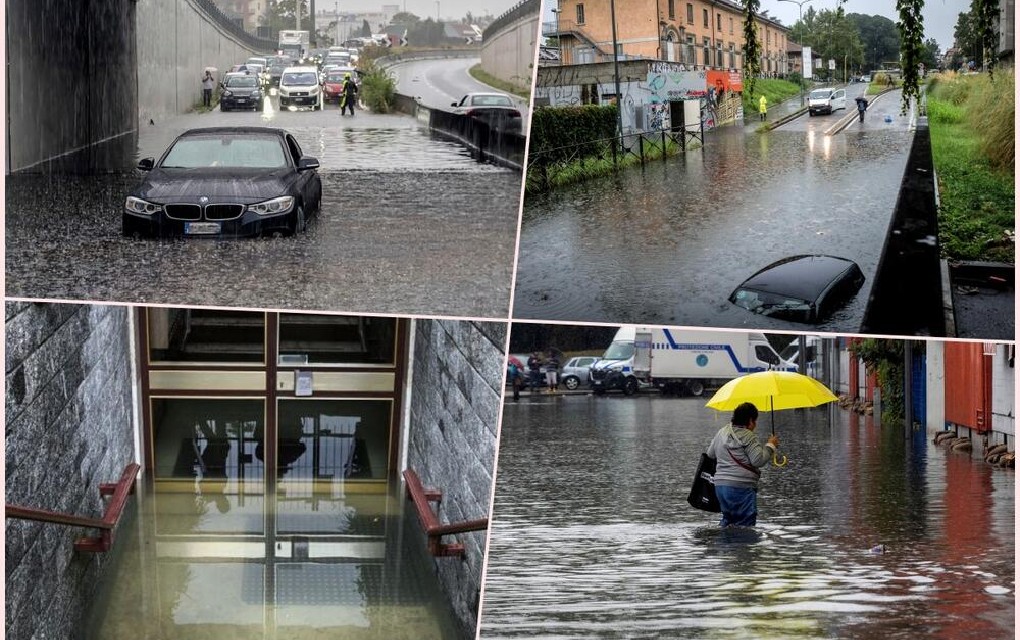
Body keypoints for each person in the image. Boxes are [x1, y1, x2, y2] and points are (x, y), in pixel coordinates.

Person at [706, 402, 779, 527]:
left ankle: (723, 545)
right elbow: (758, 461)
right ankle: (741, 546)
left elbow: (710, 454)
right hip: (741, 488)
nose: (755, 425)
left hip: (720, 487)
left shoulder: (722, 432)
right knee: (745, 525)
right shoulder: (749, 436)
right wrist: (771, 445)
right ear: (750, 420)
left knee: (728, 521)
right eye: (755, 421)